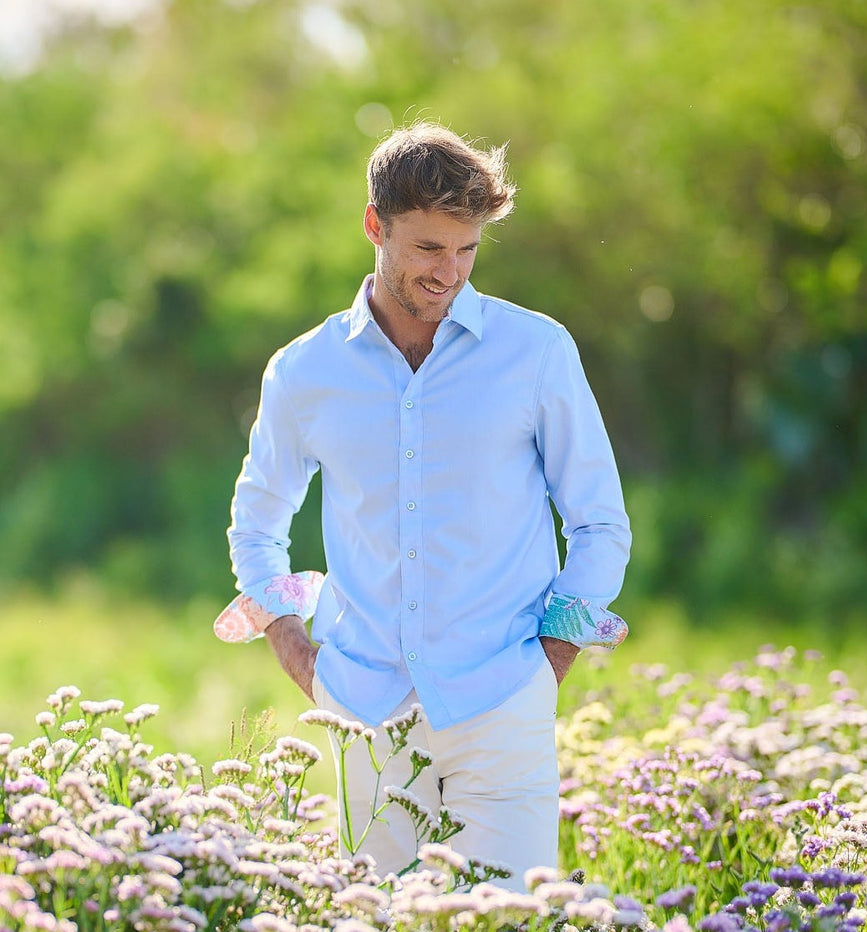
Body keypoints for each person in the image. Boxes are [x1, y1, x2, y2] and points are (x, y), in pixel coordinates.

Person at [214, 122, 631, 889]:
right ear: (376, 226)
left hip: (505, 698)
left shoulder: (536, 352)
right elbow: (256, 525)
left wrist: (550, 663)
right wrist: (300, 657)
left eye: (467, 249)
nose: (451, 273)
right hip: (365, 712)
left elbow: (600, 523)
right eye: (429, 249)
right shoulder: (304, 372)